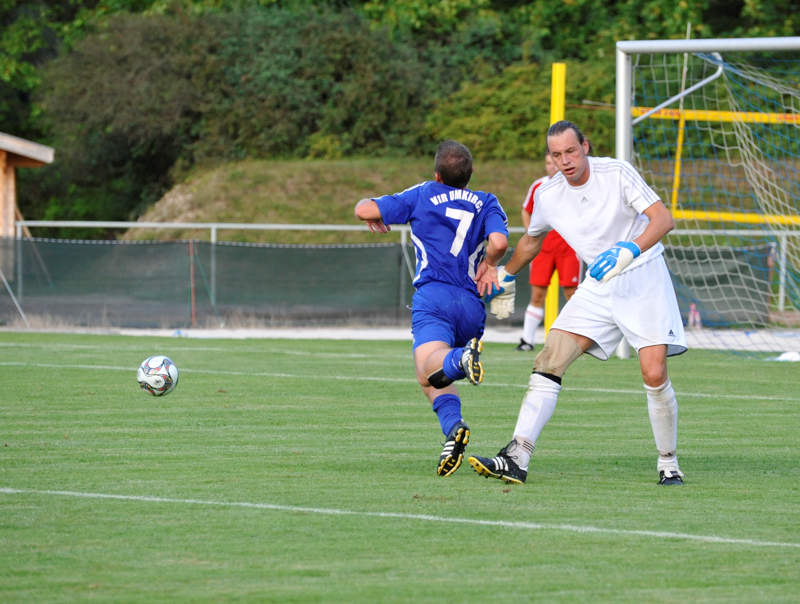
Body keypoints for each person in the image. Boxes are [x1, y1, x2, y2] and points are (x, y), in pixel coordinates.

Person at [470, 120, 687, 486]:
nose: (565, 160)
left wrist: (629, 250)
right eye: (557, 155)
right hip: (598, 285)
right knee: (549, 358)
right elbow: (532, 241)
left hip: (644, 276)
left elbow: (663, 219)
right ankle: (517, 456)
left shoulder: (616, 172)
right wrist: (505, 272)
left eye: (571, 151)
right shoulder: (548, 194)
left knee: (653, 373)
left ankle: (669, 462)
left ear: (585, 147)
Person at [354, 140, 509, 477]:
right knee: (430, 376)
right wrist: (491, 264)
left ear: (437, 174)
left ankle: (461, 360)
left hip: (435, 296)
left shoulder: (424, 193)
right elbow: (499, 242)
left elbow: (364, 210)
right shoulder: (486, 201)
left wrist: (372, 211)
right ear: (469, 176)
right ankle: (454, 430)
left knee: (428, 368)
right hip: (471, 303)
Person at [516, 150, 580, 351]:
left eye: (554, 163)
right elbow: (526, 210)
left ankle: (578, 339)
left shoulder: (574, 185)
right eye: (548, 163)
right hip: (543, 249)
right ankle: (527, 340)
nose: (551, 167)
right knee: (537, 294)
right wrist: (531, 234)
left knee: (572, 293)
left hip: (568, 248)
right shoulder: (539, 185)